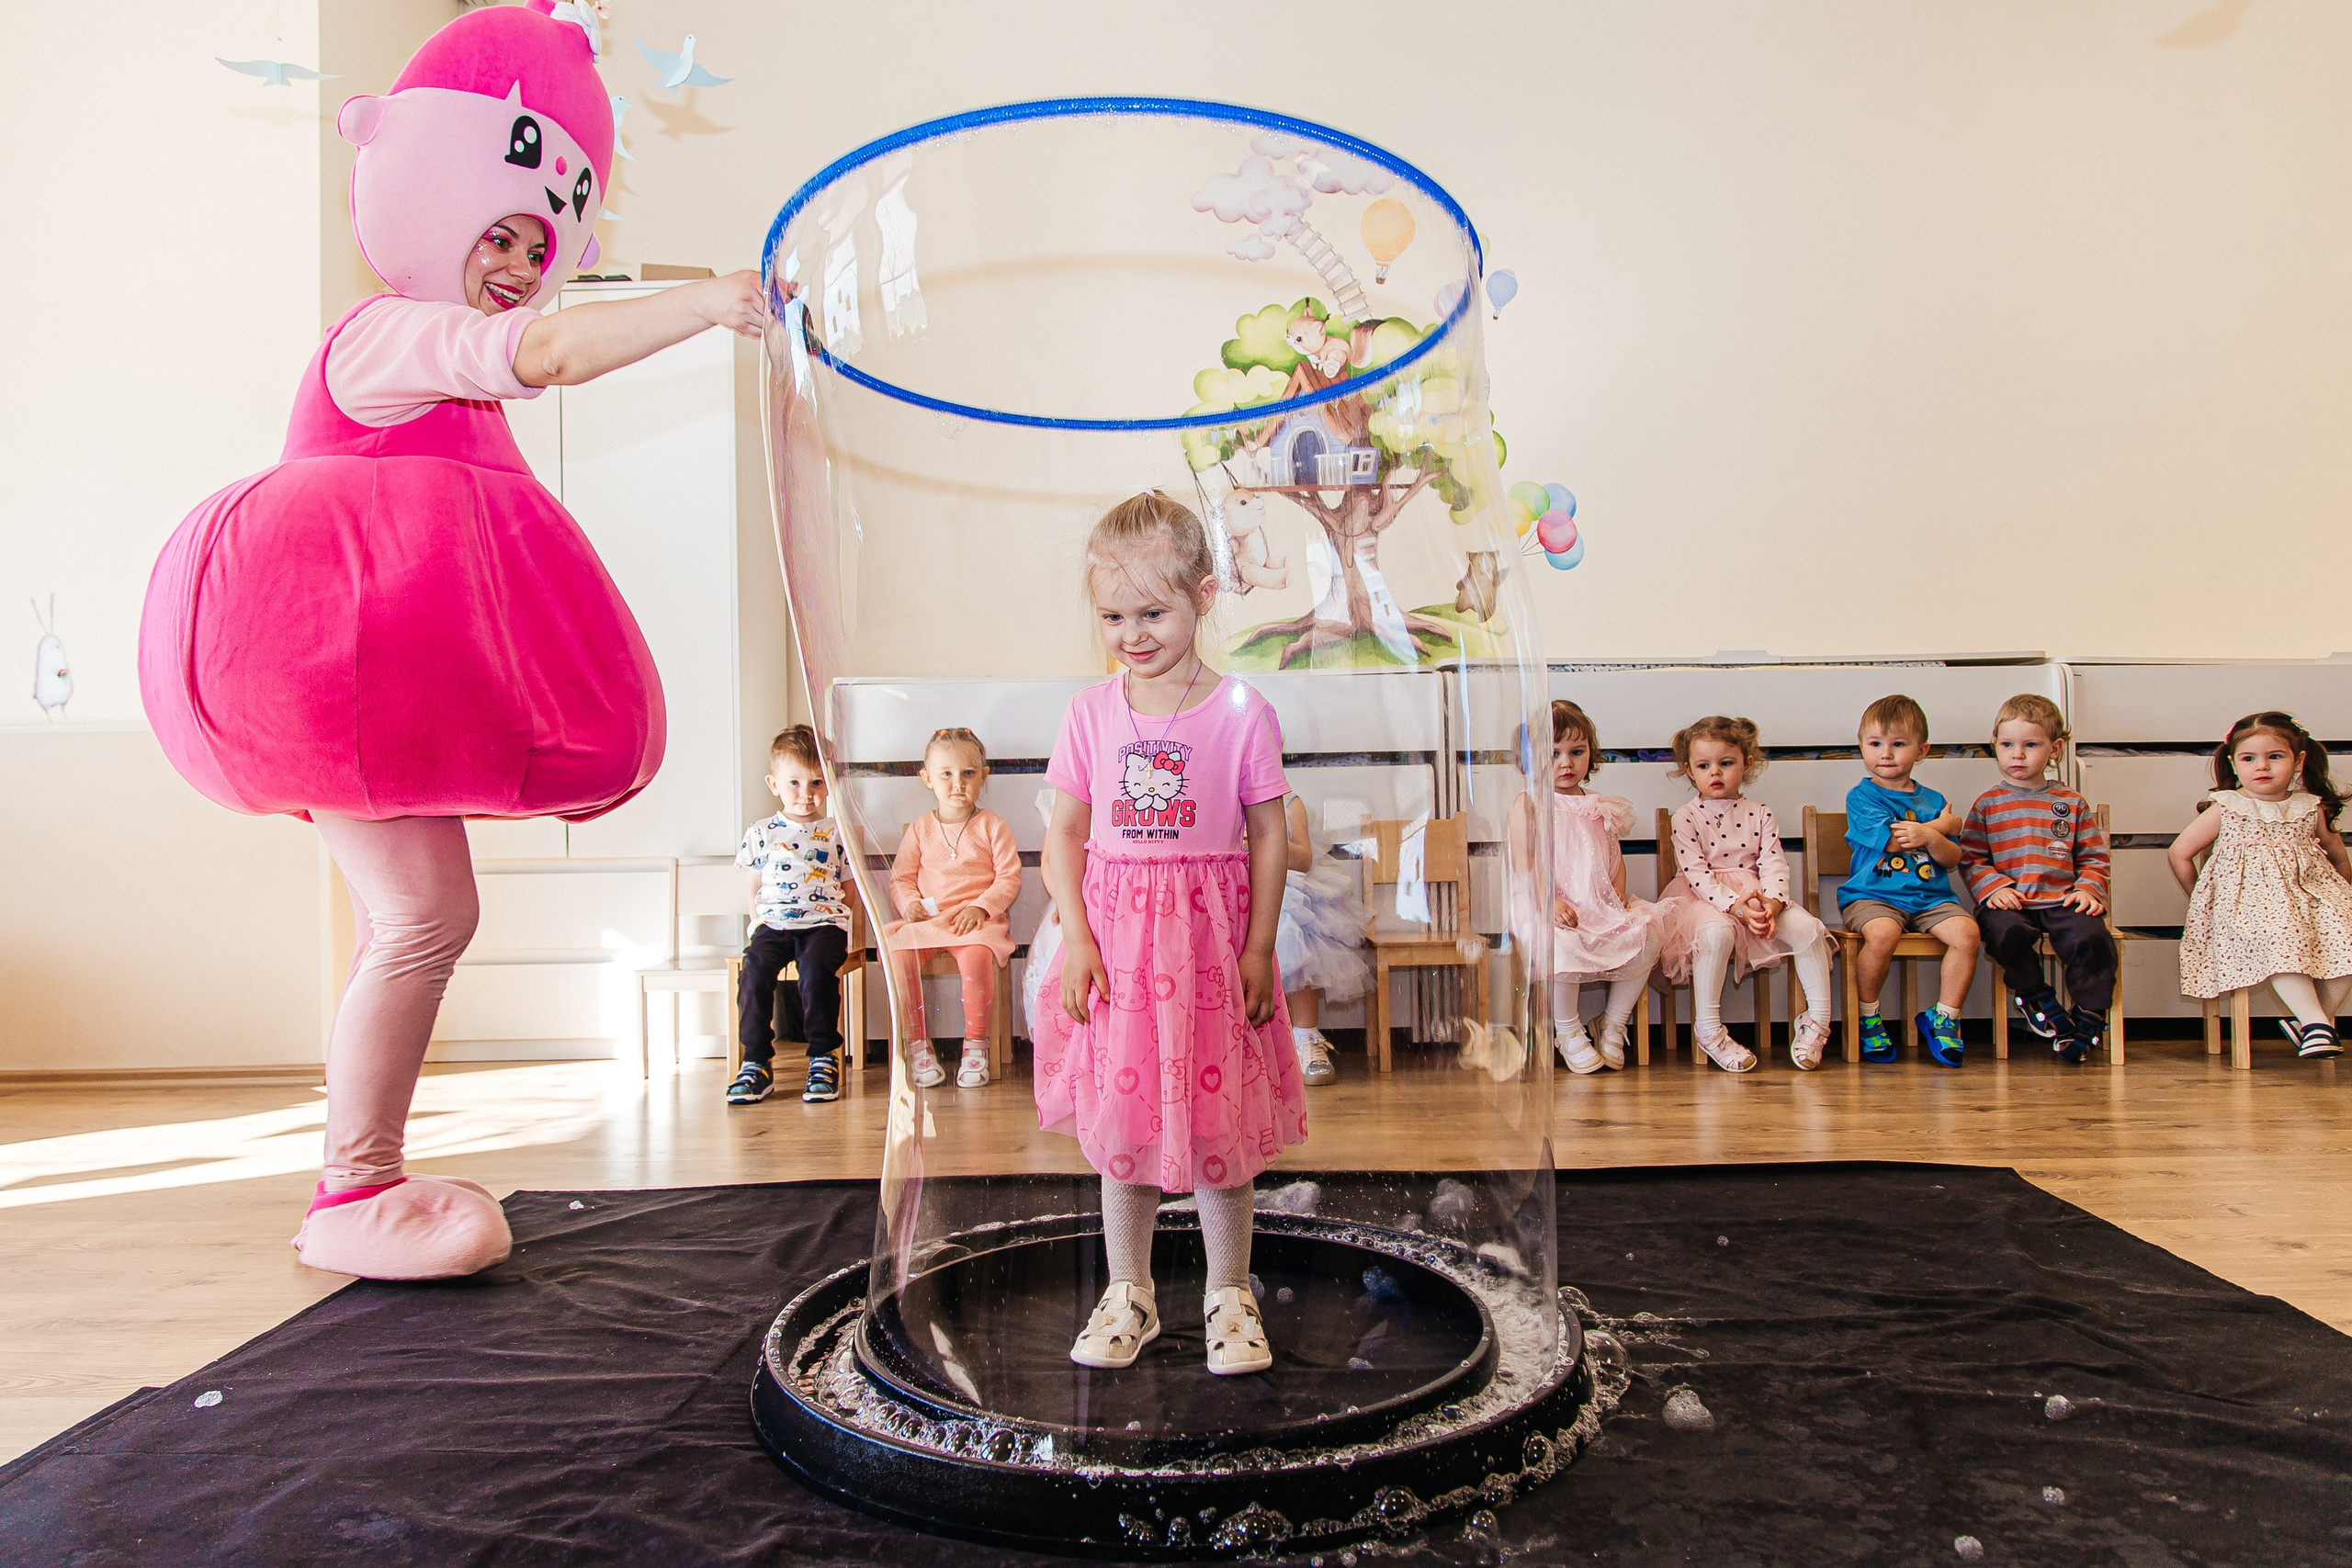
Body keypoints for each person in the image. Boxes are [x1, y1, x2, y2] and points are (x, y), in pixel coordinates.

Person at [138, 2, 766, 1280]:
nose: (517, 264)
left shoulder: (441, 368)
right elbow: (540, 350)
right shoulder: (393, 334)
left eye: (541, 244)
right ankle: (350, 1186)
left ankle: (358, 1176)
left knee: (425, 911)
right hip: (321, 667)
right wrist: (702, 303)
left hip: (356, 674)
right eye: (499, 234)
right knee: (418, 917)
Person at [1033, 490, 1305, 1378]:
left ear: (1204, 592)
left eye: (1154, 610)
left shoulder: (1241, 712)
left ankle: (1230, 1290)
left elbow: (1269, 832)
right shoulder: (1091, 713)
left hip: (1210, 951)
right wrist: (1077, 938)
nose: (1132, 632)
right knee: (1126, 1117)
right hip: (1118, 947)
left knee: (1218, 1118)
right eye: (1114, 614)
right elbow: (1065, 835)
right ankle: (1131, 1291)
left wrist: (1260, 945)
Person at [1653, 716, 1838, 1072]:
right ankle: (1708, 1030)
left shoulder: (1761, 813)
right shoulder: (1685, 817)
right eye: (1704, 766)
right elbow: (1696, 875)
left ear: (1746, 764)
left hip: (1756, 896)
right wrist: (1736, 906)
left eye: (1726, 763)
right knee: (1716, 933)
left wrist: (1771, 902)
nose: (1715, 773)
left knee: (1808, 929)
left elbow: (1773, 863)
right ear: (1690, 771)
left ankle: (1817, 1023)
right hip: (1704, 901)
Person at [2168, 710, 2352, 1059]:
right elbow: (2180, 853)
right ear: (2234, 764)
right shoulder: (2228, 806)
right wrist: (2202, 899)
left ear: (2298, 761)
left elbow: (2338, 858)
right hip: (2247, 909)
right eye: (2249, 758)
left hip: (2309, 898)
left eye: (2275, 757)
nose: (2262, 767)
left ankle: (2314, 1025)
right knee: (2282, 934)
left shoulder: (2310, 807)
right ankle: (2316, 1023)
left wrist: (2340, 902)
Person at [1958, 694, 2114, 1063]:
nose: (2017, 755)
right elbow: (1971, 857)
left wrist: (2089, 888)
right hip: (2010, 902)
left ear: (2055, 749)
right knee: (2003, 933)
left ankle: (2090, 1015)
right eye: (2007, 745)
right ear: (1995, 745)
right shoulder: (1987, 804)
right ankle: (2034, 995)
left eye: (2030, 745)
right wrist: (1992, 887)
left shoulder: (2071, 803)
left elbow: (2093, 856)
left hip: (2061, 899)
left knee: (2093, 939)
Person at [1507, 700, 1660, 1074]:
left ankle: (1613, 1022)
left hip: (1596, 901)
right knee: (1562, 944)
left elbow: (1614, 859)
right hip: (1543, 901)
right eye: (1553, 753)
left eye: (1577, 752)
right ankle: (1568, 1029)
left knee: (1648, 932)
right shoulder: (1530, 804)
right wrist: (1550, 901)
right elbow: (1525, 865)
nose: (1566, 763)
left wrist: (1618, 896)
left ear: (1590, 754)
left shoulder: (1598, 805)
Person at [1838, 694, 1981, 1067]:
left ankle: (1944, 1017)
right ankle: (1868, 1017)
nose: (1885, 754)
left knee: (1968, 935)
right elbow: (1892, 839)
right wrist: (1943, 826)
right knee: (1883, 935)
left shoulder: (1932, 798)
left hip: (1931, 898)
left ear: (1921, 750)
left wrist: (1937, 838)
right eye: (1875, 744)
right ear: (1862, 746)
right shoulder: (1862, 796)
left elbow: (1952, 858)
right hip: (1873, 896)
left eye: (1898, 744)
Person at [886, 728, 1023, 1089]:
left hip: (976, 924)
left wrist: (981, 907)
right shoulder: (918, 830)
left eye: (968, 773)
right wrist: (910, 904)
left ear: (983, 776)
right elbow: (900, 878)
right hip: (930, 921)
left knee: (977, 959)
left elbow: (1008, 878)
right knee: (900, 959)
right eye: (946, 774)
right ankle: (918, 1046)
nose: (957, 783)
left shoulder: (994, 827)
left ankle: (976, 1045)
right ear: (927, 779)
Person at [731, 728, 855, 1105]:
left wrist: (839, 918)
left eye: (817, 782)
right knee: (753, 969)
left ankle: (822, 1056)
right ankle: (756, 1062)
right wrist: (758, 923)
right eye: (795, 783)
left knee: (816, 971)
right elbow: (753, 885)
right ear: (774, 784)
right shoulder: (761, 832)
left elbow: (849, 885)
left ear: (829, 783)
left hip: (823, 925)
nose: (806, 793)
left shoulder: (838, 832)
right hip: (773, 925)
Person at [1274, 792, 1373, 1087]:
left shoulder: (1289, 801)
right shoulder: (1217, 791)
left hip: (1282, 878)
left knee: (1294, 915)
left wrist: (1258, 840)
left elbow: (1303, 859)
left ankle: (1306, 1036)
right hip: (1229, 880)